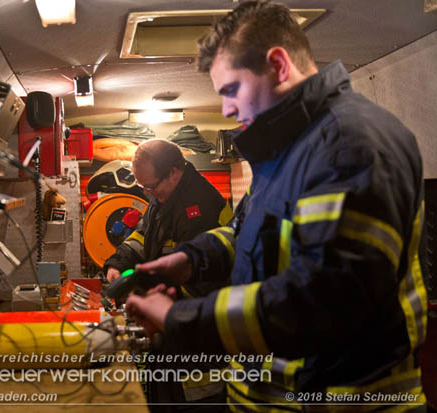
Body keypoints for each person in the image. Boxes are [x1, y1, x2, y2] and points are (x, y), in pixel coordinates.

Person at [126, 1, 428, 412]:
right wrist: (190, 258)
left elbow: (324, 299)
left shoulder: (349, 145)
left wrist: (184, 318)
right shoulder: (287, 153)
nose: (228, 110)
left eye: (231, 90)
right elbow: (243, 232)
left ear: (279, 66)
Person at [103, 139, 230, 411]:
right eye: (143, 187)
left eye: (150, 186)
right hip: (169, 330)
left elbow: (204, 283)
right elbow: (141, 236)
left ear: (174, 172)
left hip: (198, 341)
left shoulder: (202, 208)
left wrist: (149, 297)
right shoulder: (163, 197)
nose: (148, 193)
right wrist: (118, 263)